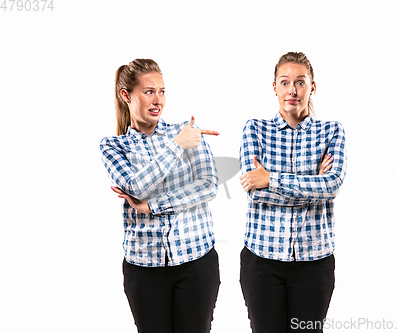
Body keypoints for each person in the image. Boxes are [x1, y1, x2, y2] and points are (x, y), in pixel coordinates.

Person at [100, 59, 220, 333]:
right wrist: (178, 146)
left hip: (197, 262)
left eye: (162, 91)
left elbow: (208, 185)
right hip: (144, 269)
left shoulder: (185, 129)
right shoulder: (113, 146)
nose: (158, 100)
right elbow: (136, 186)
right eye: (149, 91)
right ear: (126, 95)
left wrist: (152, 206)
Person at [239, 52, 347, 333]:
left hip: (314, 261)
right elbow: (255, 192)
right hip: (262, 260)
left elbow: (332, 184)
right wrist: (313, 183)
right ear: (274, 87)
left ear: (312, 86)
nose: (292, 90)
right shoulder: (255, 129)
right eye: (285, 82)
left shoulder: (332, 131)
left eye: (300, 82)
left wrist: (270, 179)